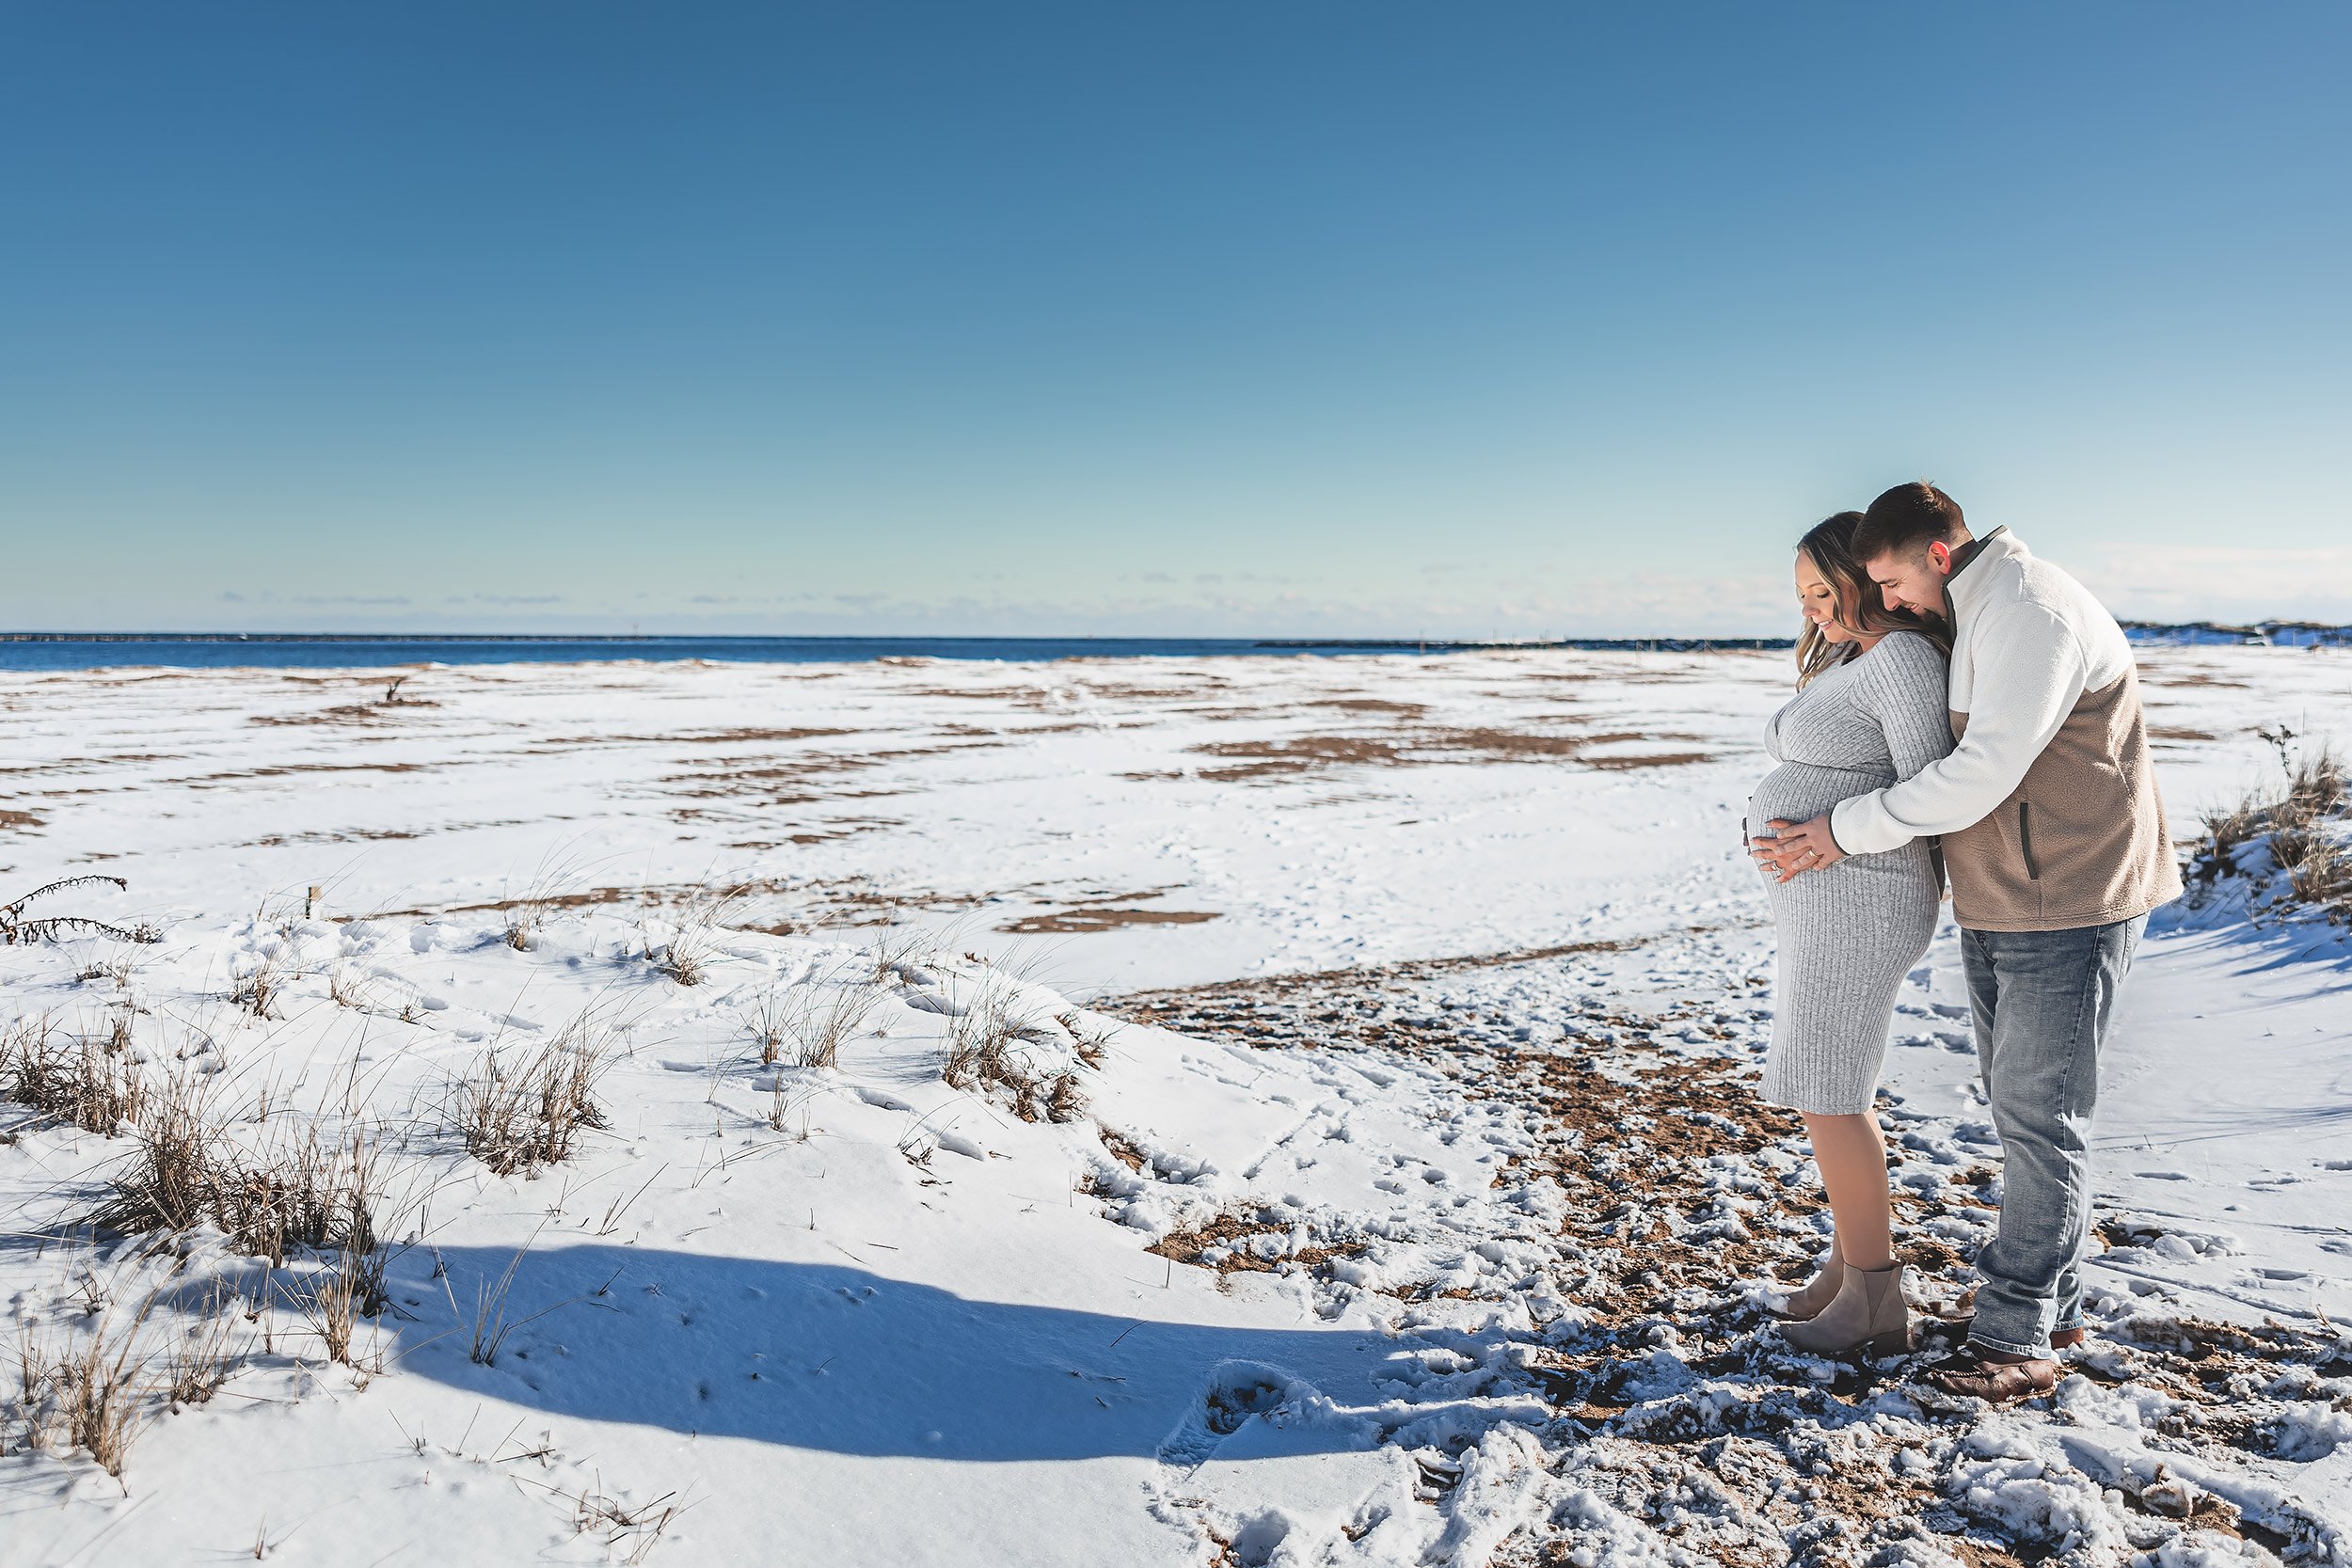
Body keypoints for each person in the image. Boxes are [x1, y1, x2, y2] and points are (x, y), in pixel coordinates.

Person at [1754, 482, 2181, 1402]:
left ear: (1936, 556)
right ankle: (2051, 1301)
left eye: (1893, 580)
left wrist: (1838, 830)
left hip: (2070, 896)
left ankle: (2016, 1335)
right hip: (2009, 896)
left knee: (2040, 1118)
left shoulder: (2030, 610)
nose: (1891, 602)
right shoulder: (1980, 611)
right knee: (2022, 1109)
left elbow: (1977, 772)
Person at [1746, 513, 1953, 1357]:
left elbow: (1931, 785)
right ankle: (1847, 1267)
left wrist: (1827, 829)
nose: (1815, 611)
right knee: (1820, 1080)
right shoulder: (1851, 655)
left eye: (1825, 592)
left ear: (1864, 577)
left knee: (1829, 1085)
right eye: (1804, 598)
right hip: (1824, 893)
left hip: (1866, 894)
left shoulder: (1901, 658)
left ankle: (1874, 1296)